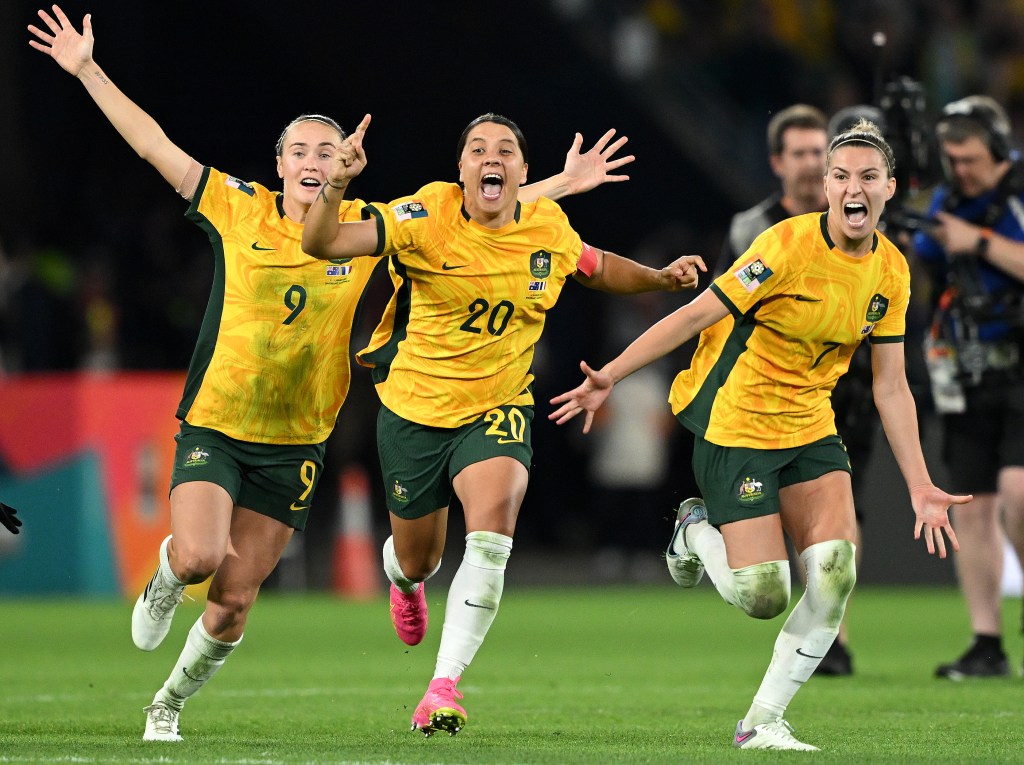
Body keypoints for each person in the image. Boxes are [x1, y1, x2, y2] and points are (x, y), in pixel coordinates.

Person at [29, 5, 638, 743]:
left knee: (233, 601)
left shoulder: (361, 228)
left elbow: (472, 213)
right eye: (300, 150)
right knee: (195, 556)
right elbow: (154, 144)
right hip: (219, 424)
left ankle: (168, 702)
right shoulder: (234, 206)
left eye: (328, 148)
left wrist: (559, 186)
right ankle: (165, 575)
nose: (314, 159)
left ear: (341, 163)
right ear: (280, 163)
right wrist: (88, 68)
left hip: (297, 443)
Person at [551, 120, 970, 751]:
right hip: (736, 421)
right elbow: (696, 314)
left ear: (890, 188)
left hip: (810, 426)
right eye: (841, 176)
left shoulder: (892, 273)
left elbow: (891, 386)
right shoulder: (785, 247)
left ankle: (761, 722)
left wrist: (921, 485)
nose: (853, 188)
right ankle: (693, 530)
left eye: (867, 177)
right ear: (827, 187)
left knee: (834, 574)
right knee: (763, 595)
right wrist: (608, 375)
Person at [301, 112, 705, 736]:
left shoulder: (546, 224)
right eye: (478, 149)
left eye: (507, 150)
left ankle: (442, 687)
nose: (492, 157)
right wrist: (334, 188)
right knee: (420, 559)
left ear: (520, 170)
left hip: (498, 407)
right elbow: (321, 243)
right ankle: (401, 577)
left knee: (492, 533)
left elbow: (596, 267)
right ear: (460, 169)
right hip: (413, 412)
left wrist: (657, 277)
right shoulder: (422, 215)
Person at [717, 103, 870, 675]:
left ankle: (831, 634)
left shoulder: (868, 230)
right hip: (768, 399)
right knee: (775, 558)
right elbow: (724, 317)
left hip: (843, 393)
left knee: (841, 522)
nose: (811, 164)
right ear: (778, 162)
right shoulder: (754, 232)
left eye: (819, 152)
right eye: (801, 153)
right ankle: (819, 630)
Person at [912, 95, 1024, 680]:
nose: (961, 171)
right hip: (967, 365)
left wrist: (975, 240)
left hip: (1023, 361)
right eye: (952, 159)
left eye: (972, 159)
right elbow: (926, 255)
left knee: (1020, 491)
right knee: (973, 506)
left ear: (1001, 152)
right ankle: (987, 642)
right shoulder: (947, 199)